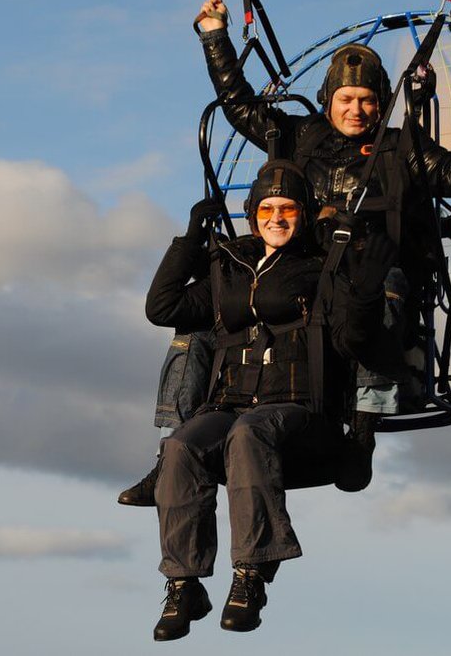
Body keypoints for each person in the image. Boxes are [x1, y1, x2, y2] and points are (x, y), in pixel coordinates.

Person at [195, 0, 451, 489]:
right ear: (328, 100)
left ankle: (361, 434)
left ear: (381, 103)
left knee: (381, 292)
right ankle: (180, 442)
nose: (357, 110)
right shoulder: (296, 138)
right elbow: (238, 105)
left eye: (368, 101)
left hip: (375, 276)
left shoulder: (402, 149)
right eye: (347, 100)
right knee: (210, 309)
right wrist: (214, 37)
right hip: (307, 277)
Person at [144, 160, 395, 640]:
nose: (276, 218)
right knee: (180, 447)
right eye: (266, 209)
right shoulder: (230, 267)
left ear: (302, 213)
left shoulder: (324, 267)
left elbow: (354, 341)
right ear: (253, 213)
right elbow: (163, 308)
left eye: (287, 209)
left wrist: (363, 292)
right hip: (230, 403)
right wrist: (190, 241)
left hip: (300, 411)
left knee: (249, 432)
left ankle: (252, 574)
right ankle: (184, 582)